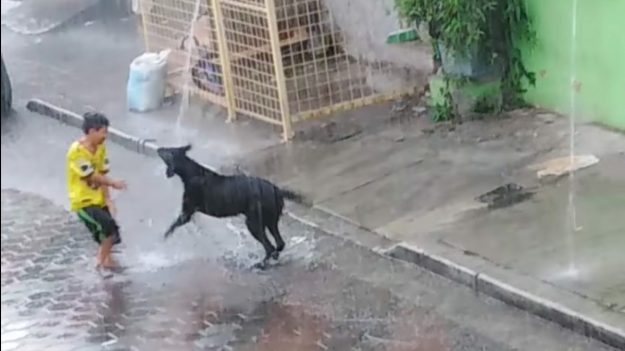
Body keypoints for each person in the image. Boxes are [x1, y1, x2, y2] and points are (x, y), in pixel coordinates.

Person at [66, 112, 126, 268]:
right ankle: (99, 264)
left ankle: (107, 260)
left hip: (98, 199)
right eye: (103, 132)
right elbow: (92, 176)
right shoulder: (76, 152)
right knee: (108, 230)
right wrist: (113, 183)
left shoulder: (100, 148)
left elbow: (102, 173)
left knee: (110, 233)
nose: (105, 136)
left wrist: (108, 199)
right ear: (92, 131)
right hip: (83, 202)